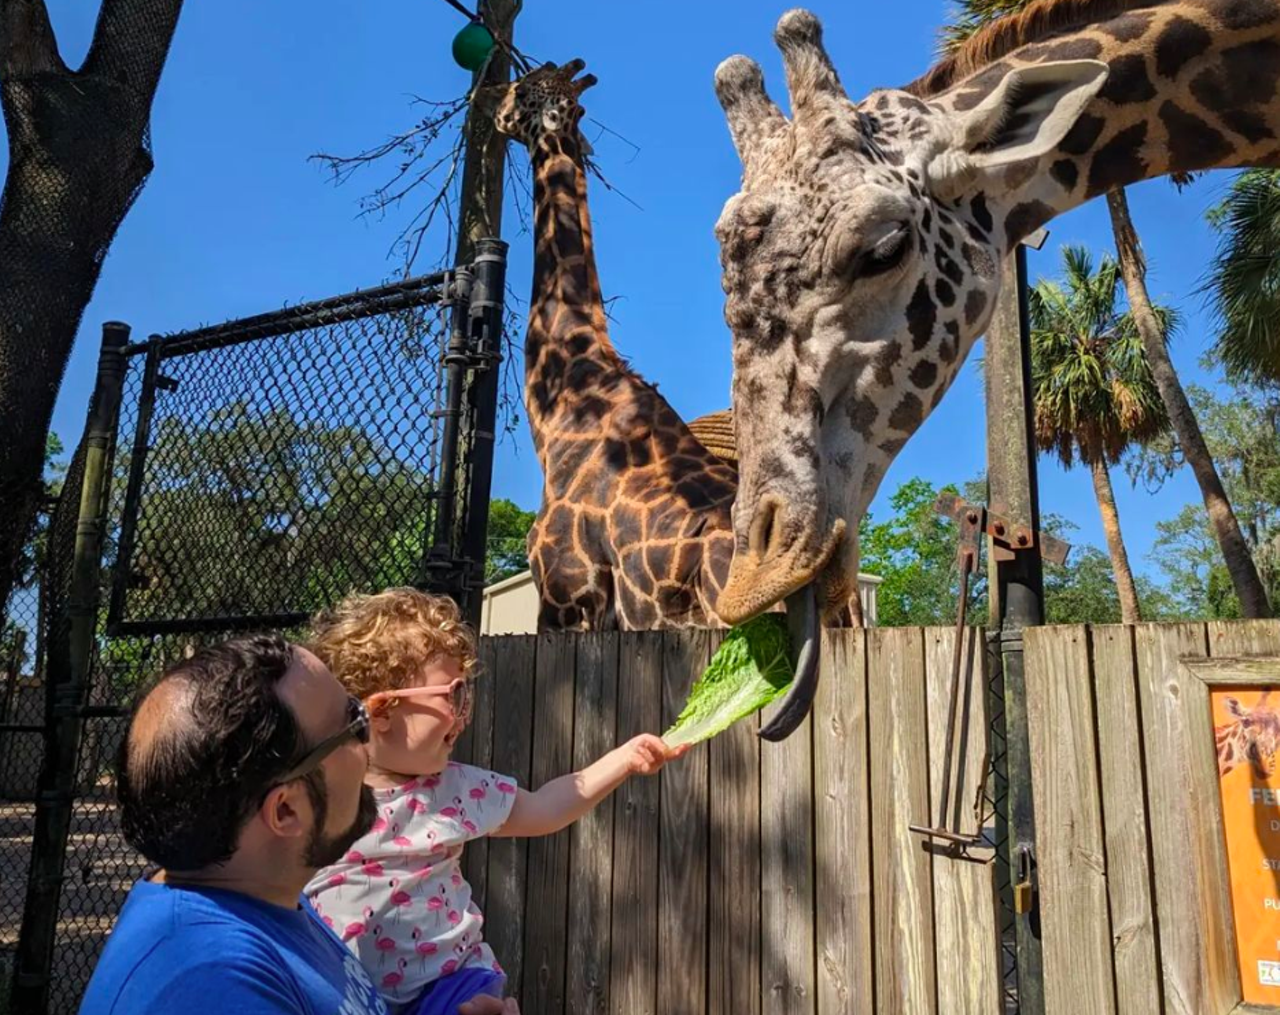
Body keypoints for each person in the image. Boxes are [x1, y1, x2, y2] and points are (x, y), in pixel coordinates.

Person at [80, 633, 519, 1015]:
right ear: (286, 811)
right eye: (352, 723)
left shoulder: (276, 903)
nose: (369, 739)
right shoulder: (210, 982)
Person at [305, 589, 686, 1014]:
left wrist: (624, 759)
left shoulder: (454, 788)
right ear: (381, 711)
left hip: (450, 983)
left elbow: (544, 808)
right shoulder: (313, 796)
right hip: (344, 989)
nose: (465, 712)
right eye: (452, 695)